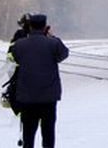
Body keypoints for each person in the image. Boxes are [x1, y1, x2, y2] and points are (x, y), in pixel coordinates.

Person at [10, 14, 69, 148]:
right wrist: (52, 36)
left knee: (28, 133)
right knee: (48, 132)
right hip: (48, 97)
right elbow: (63, 54)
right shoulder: (54, 43)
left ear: (30, 27)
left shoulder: (20, 45)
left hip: (27, 97)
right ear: (45, 27)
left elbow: (16, 57)